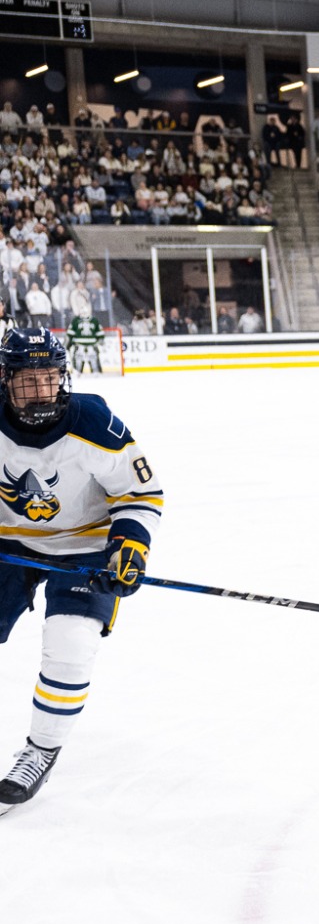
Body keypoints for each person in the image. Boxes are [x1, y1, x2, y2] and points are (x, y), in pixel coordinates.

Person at [0, 328, 161, 815]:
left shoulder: (92, 421)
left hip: (86, 545)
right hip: (8, 544)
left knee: (70, 647)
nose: (40, 391)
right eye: (27, 381)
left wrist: (130, 546)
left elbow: (139, 494)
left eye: (48, 378)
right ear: (5, 381)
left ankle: (41, 749)